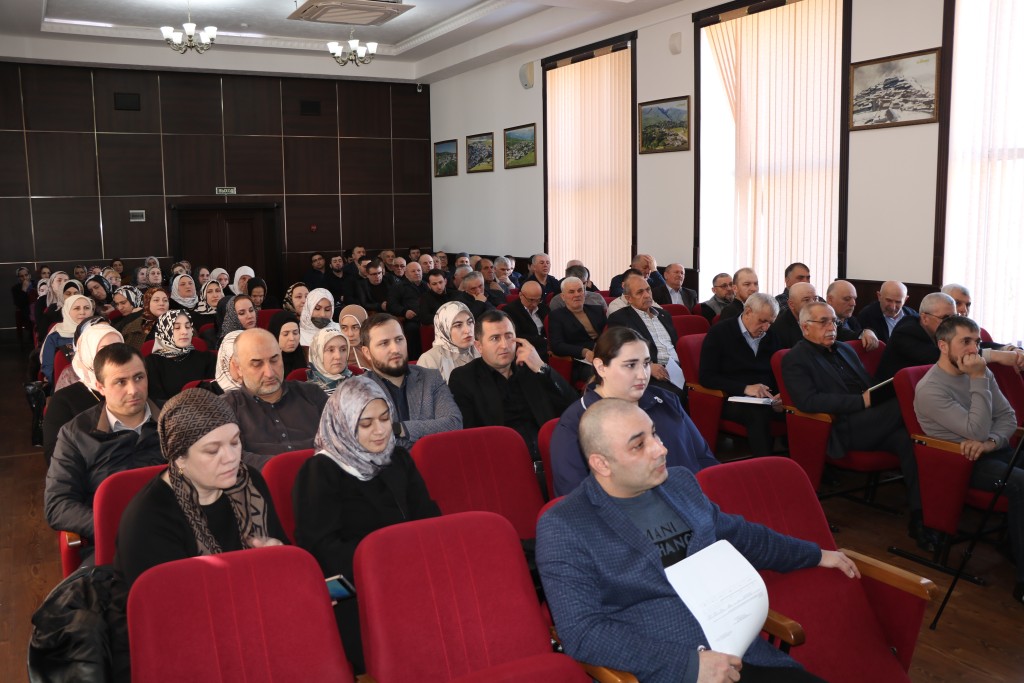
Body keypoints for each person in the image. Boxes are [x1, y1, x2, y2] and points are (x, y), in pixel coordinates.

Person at [537, 398, 855, 683]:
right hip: (663, 670)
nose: (660, 449)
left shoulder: (679, 484)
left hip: (740, 653)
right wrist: (688, 666)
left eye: (655, 434)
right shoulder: (565, 525)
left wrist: (816, 554)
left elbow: (742, 536)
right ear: (601, 463)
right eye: (639, 445)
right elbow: (583, 632)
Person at [293, 377, 441, 673]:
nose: (380, 430)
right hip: (358, 590)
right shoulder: (321, 471)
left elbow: (428, 519)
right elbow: (323, 548)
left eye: (385, 419)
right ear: (345, 424)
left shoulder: (397, 459)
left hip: (413, 575)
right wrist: (387, 565)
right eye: (366, 423)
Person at [782, 302, 928, 550]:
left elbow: (867, 384)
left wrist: (878, 393)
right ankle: (950, 441)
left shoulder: (845, 350)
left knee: (910, 441)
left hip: (872, 421)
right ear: (805, 327)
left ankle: (920, 518)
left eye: (834, 321)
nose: (831, 327)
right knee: (903, 405)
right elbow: (808, 401)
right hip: (841, 427)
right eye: (823, 322)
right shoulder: (795, 358)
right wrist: (860, 402)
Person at [113, 388, 286, 587]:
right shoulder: (149, 518)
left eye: (235, 442)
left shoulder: (249, 482)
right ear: (180, 457)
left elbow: (284, 556)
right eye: (212, 450)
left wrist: (279, 554)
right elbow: (166, 600)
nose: (231, 457)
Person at [913, 315, 1024, 603]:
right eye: (965, 342)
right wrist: (977, 379)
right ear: (943, 345)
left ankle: (1013, 544)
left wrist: (991, 442)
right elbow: (975, 430)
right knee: (1021, 484)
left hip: (989, 450)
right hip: (960, 462)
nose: (974, 349)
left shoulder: (980, 371)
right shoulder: (931, 389)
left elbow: (1008, 418)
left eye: (976, 342)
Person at [550, 327, 718, 497]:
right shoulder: (575, 423)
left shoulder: (666, 400)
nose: (642, 375)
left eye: (646, 364)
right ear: (601, 367)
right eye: (630, 365)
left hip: (695, 501)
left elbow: (704, 458)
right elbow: (576, 499)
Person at [45, 343, 164, 556]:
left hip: (174, 535)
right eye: (120, 382)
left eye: (139, 377)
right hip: (113, 545)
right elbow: (58, 504)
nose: (133, 390)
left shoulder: (173, 418)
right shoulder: (76, 434)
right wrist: (110, 527)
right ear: (100, 387)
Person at [449, 310, 576, 459]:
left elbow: (574, 406)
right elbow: (470, 436)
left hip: (550, 453)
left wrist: (542, 368)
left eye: (509, 336)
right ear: (479, 346)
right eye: (495, 338)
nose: (504, 345)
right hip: (502, 458)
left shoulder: (532, 366)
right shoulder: (464, 378)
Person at [222, 328, 329, 469]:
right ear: (238, 368)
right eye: (257, 364)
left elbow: (341, 440)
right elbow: (232, 457)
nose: (270, 373)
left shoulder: (312, 394)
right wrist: (283, 468)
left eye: (274, 360)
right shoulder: (226, 408)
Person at [699, 293, 785, 457]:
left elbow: (776, 372)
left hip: (766, 398)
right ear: (748, 312)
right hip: (730, 397)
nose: (766, 327)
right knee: (757, 414)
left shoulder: (772, 335)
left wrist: (779, 396)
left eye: (770, 322)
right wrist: (745, 388)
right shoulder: (720, 333)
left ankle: (797, 466)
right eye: (762, 321)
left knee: (799, 410)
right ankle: (765, 466)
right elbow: (707, 377)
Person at [359, 315, 462, 451]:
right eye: (384, 343)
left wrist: (400, 428)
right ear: (367, 352)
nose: (395, 349)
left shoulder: (430, 378)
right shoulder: (358, 390)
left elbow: (454, 423)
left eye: (399, 339)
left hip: (432, 461)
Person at [42, 322, 123, 465]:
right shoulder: (63, 400)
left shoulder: (135, 389)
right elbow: (55, 456)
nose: (114, 355)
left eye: (119, 348)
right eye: (104, 349)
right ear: (88, 353)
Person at [607, 273, 685, 396]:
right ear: (629, 298)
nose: (647, 295)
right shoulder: (620, 318)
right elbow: (620, 352)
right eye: (640, 292)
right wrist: (648, 366)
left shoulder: (664, 315)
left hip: (680, 368)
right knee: (674, 396)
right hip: (652, 371)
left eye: (648, 290)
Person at [144, 311, 216, 401]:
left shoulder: (208, 359)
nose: (184, 332)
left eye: (188, 327)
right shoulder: (151, 362)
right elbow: (156, 399)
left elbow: (213, 395)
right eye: (177, 328)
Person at [548, 276, 607, 383]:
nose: (577, 294)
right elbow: (557, 345)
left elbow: (608, 333)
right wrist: (584, 352)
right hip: (580, 361)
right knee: (604, 374)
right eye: (571, 292)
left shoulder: (597, 310)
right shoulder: (557, 316)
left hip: (604, 353)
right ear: (563, 296)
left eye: (580, 290)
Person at [416, 301, 480, 382]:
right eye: (458, 325)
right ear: (444, 329)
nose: (467, 330)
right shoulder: (430, 359)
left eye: (470, 322)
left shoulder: (481, 350)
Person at [40, 294, 94, 385]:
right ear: (67, 311)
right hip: (63, 385)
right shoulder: (55, 337)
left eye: (86, 308)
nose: (82, 312)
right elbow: (48, 368)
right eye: (77, 308)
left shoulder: (97, 332)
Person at [825, 280, 879, 349]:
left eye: (854, 299)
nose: (853, 303)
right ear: (830, 300)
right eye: (847, 299)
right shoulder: (823, 321)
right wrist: (862, 333)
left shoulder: (851, 320)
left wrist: (868, 331)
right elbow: (841, 335)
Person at [503, 280, 550, 357]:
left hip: (548, 348)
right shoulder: (510, 310)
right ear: (521, 295)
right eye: (531, 300)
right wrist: (545, 342)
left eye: (538, 300)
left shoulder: (543, 308)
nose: (534, 304)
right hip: (527, 350)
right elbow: (517, 335)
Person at [769, 282, 818, 349]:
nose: (813, 303)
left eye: (815, 299)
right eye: (806, 300)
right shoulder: (778, 329)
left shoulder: (822, 320)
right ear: (791, 305)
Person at [307, 327, 354, 395]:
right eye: (331, 350)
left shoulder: (360, 386)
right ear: (317, 354)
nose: (338, 356)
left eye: (343, 349)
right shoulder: (303, 394)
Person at [268, 310, 305, 377]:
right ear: (275, 336)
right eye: (285, 334)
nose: (292, 338)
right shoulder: (266, 362)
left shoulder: (307, 356)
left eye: (295, 333)